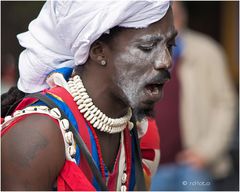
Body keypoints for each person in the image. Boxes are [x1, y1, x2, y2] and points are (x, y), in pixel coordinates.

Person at [1, 0, 177, 191]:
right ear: (99, 52)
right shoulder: (37, 135)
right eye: (148, 47)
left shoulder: (140, 132)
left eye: (170, 45)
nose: (165, 61)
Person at [151, 1, 237, 191]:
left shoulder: (207, 51)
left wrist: (206, 152)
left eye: (173, 16)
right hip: (152, 165)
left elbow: (226, 104)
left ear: (183, 17)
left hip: (193, 166)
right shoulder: (144, 53)